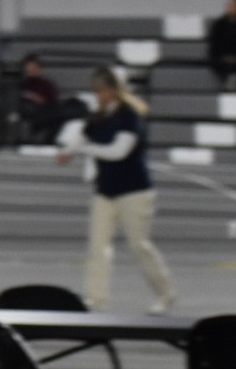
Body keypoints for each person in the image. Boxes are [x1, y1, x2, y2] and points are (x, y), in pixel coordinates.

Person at [58, 67, 176, 314]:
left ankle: (164, 293)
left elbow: (117, 152)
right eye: (96, 91)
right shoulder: (98, 116)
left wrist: (84, 150)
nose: (99, 95)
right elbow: (81, 137)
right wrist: (68, 151)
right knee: (97, 246)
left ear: (113, 90)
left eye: (102, 90)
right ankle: (96, 298)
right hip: (106, 190)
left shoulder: (130, 116)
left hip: (134, 190)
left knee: (139, 245)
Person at [206, 0, 236, 90]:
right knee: (221, 66)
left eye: (234, 6)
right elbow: (214, 44)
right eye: (230, 6)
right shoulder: (219, 24)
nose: (232, 8)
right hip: (220, 58)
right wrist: (222, 57)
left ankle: (233, 89)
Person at [15, 53, 62, 143]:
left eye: (34, 68)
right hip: (28, 114)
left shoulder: (47, 85)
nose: (31, 70)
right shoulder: (22, 85)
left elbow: (51, 104)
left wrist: (34, 97)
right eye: (29, 68)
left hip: (45, 115)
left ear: (39, 68)